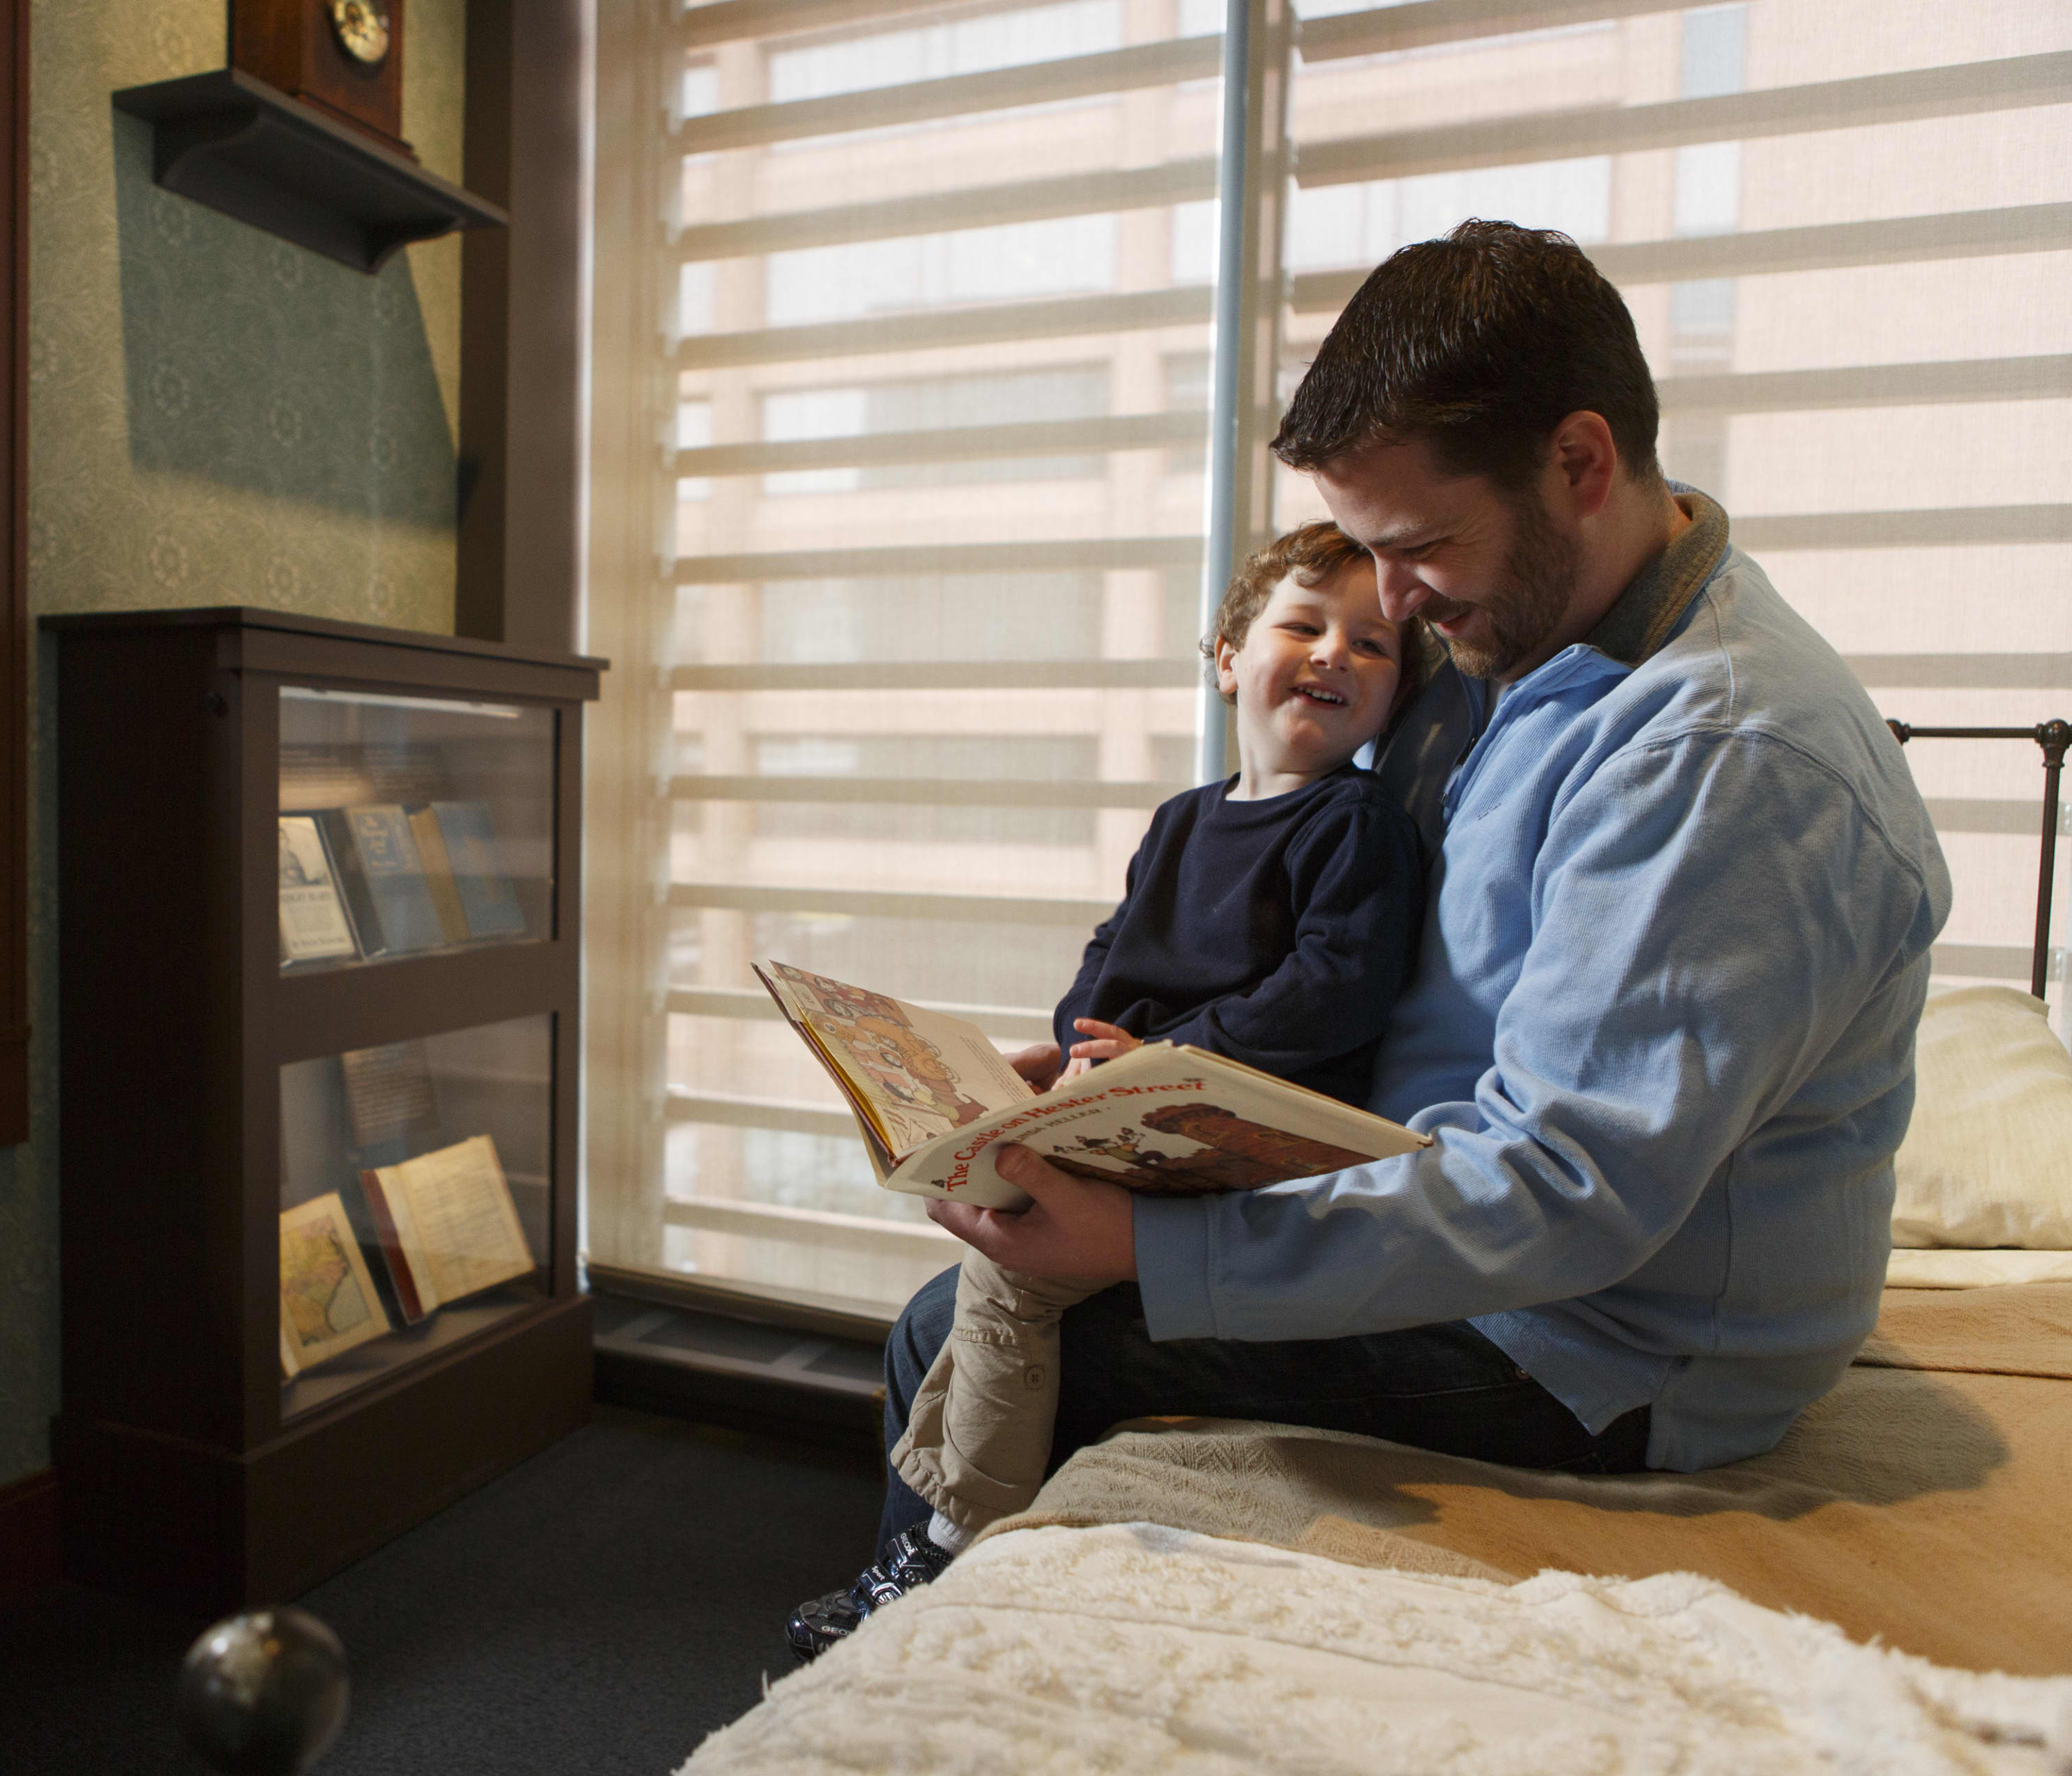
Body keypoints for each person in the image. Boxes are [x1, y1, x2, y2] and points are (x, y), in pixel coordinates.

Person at [795, 220, 1951, 1657]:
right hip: (1463, 1192)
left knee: (982, 1324)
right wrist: (1141, 1086)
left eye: (1418, 549)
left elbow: (1567, 1185)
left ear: (1581, 464)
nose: (1391, 605)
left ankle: (916, 1656)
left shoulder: (1723, 756)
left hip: (1612, 1343)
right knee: (987, 1275)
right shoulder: (1541, 646)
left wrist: (1158, 1241)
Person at [783, 526, 1432, 1662]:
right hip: (1139, 1106)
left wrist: (1152, 1056)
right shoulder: (1185, 821)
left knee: (1007, 1280)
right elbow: (1108, 958)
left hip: (1243, 1137)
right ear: (1227, 654)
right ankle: (922, 1555)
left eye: (1372, 644)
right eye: (1304, 624)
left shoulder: (1358, 823)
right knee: (978, 1196)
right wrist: (1070, 1051)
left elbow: (1332, 993)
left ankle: (935, 1556)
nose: (1335, 653)